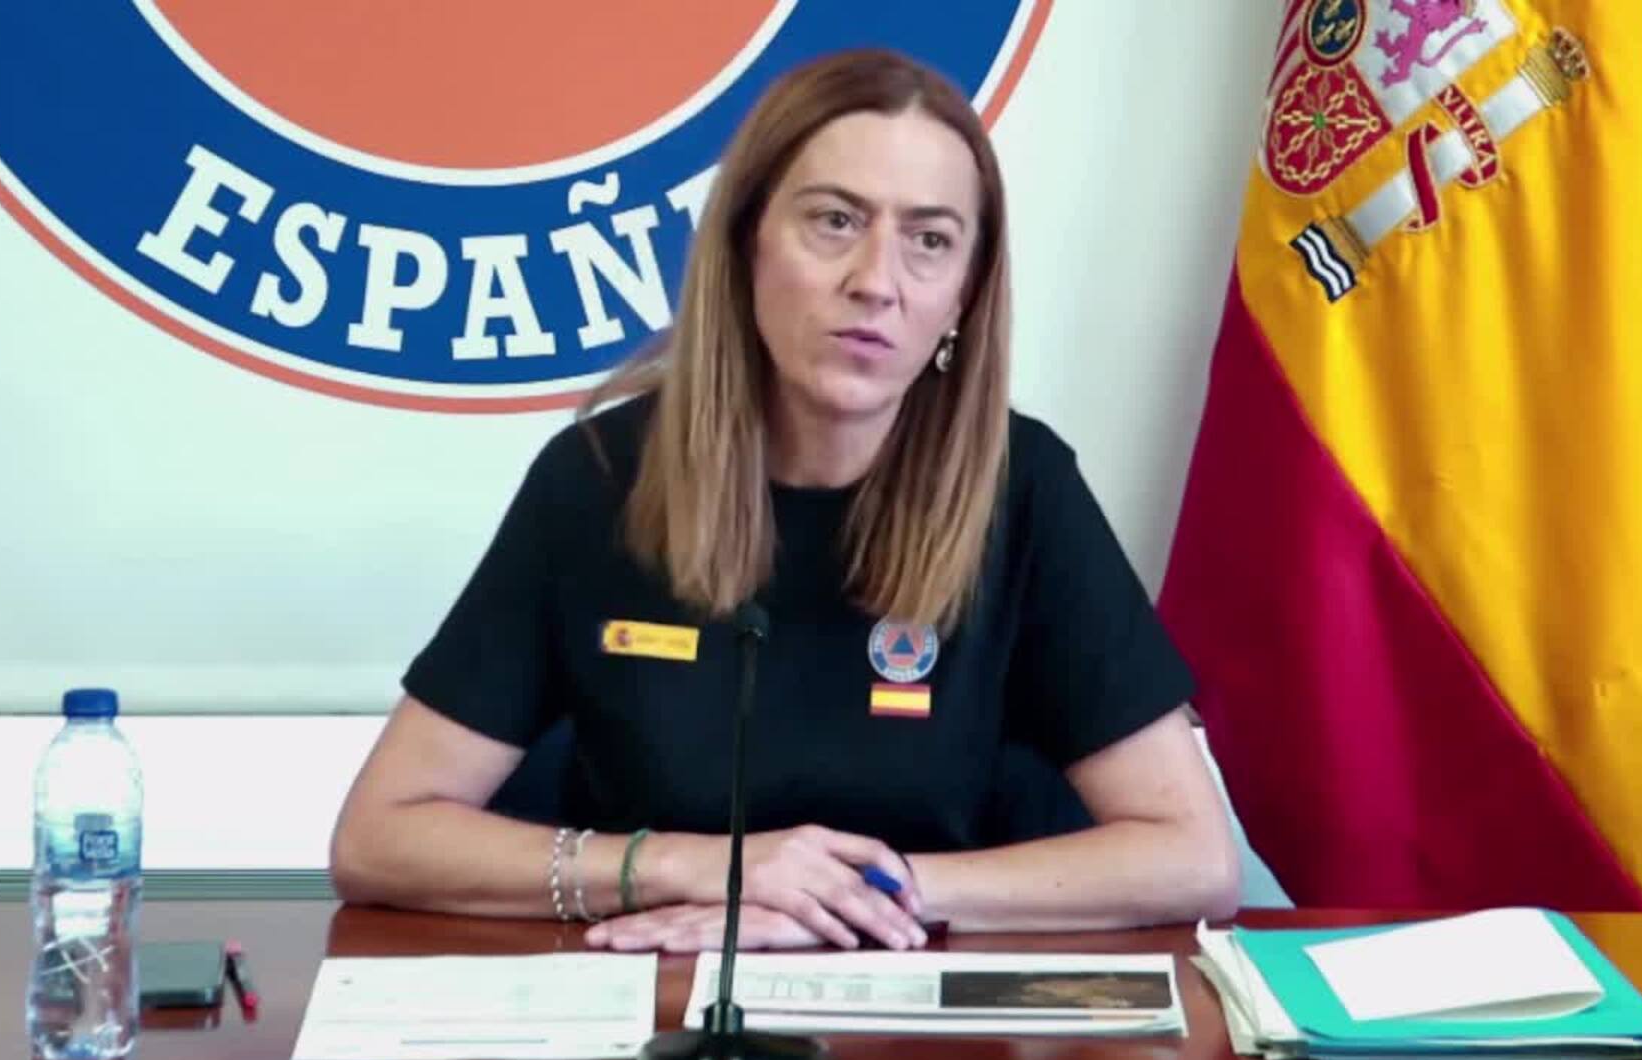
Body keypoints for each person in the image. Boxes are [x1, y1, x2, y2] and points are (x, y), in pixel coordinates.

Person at [329, 48, 1240, 953]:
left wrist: (868, 894)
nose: (876, 282)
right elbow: (379, 836)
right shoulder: (599, 477)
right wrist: (695, 869)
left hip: (929, 1000)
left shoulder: (1024, 485)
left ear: (965, 294)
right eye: (835, 222)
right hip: (663, 995)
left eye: (929, 240)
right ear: (745, 244)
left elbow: (1191, 857)